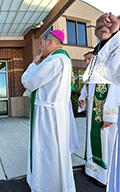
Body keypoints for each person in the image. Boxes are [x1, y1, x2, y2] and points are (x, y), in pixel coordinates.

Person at [21, 30, 75, 192]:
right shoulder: (65, 59)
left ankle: (46, 187)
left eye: (42, 44)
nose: (40, 48)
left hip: (47, 116)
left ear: (50, 42)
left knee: (46, 153)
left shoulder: (54, 60)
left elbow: (29, 82)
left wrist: (33, 63)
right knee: (56, 153)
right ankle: (59, 185)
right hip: (57, 114)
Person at [82, 13, 120, 192]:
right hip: (97, 104)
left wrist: (110, 112)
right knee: (97, 140)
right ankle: (95, 171)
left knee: (108, 143)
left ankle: (105, 176)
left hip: (108, 107)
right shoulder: (106, 48)